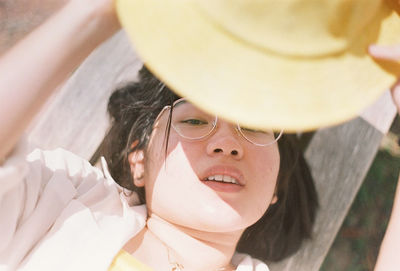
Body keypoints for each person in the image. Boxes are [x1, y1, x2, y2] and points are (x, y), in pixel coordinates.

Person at [0, 1, 396, 271]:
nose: (227, 144)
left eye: (255, 127)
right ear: (138, 158)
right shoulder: (58, 203)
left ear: (277, 184)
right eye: (193, 122)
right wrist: (98, 13)